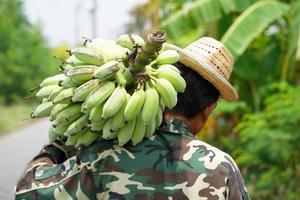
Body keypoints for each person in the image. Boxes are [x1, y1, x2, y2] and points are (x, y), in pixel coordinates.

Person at [15, 37, 250, 200]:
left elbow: (27, 190)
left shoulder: (103, 155)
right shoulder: (222, 167)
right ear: (209, 108)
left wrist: (57, 146)